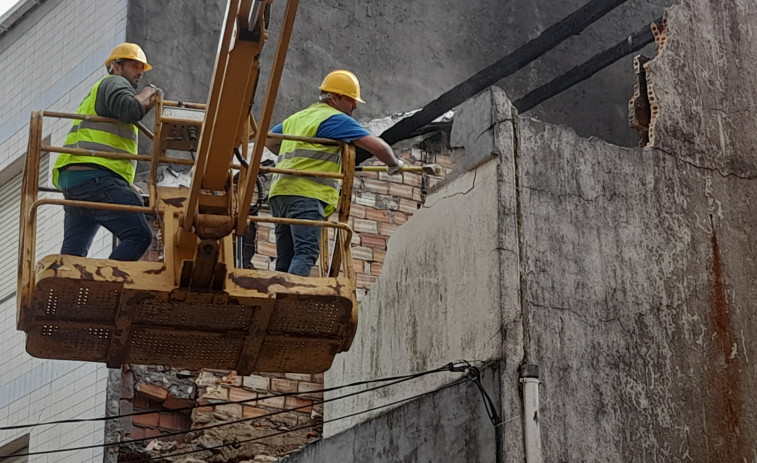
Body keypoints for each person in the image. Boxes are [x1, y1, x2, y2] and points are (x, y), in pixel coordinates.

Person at [265, 69, 404, 276]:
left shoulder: (299, 117)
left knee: (285, 260)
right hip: (306, 195)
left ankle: (276, 295)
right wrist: (394, 165)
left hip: (280, 194)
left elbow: (269, 141)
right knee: (306, 253)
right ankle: (287, 299)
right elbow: (380, 147)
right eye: (351, 100)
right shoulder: (334, 119)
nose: (355, 106)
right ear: (335, 97)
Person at [53, 43, 164, 261]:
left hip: (78, 182)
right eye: (135, 65)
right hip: (95, 180)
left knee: (73, 255)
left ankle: (69, 291)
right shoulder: (114, 82)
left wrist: (125, 184)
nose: (140, 72)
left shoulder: (100, 93)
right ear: (116, 66)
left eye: (142, 67)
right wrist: (149, 91)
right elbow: (130, 109)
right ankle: (110, 283)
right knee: (139, 235)